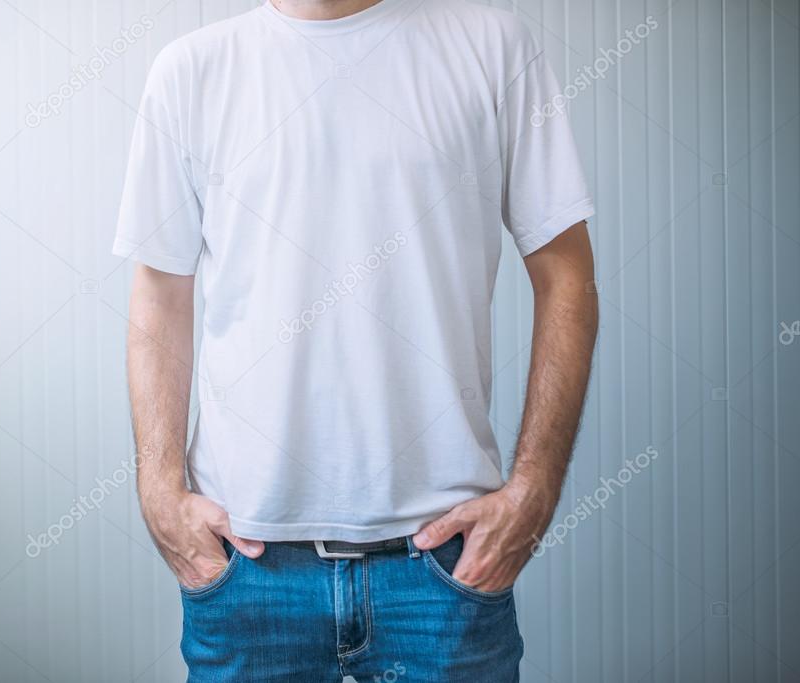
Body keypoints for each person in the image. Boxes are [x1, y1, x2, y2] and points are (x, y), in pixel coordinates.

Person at [115, 0, 598, 680]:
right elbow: (159, 297)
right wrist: (159, 490)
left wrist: (535, 488)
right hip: (246, 562)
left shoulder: (491, 46)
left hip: (443, 566)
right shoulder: (191, 70)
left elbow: (566, 275)